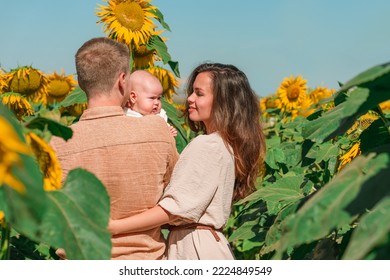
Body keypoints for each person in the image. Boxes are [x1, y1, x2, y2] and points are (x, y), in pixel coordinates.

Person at [109, 62, 266, 259]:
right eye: (192, 92)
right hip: (204, 243)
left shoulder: (207, 145)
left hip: (194, 247)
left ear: (222, 101)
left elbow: (174, 209)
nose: (189, 98)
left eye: (199, 94)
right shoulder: (224, 145)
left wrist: (114, 225)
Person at [50, 37, 179, 260]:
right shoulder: (157, 130)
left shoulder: (56, 145)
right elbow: (177, 198)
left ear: (81, 84)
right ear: (122, 81)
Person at [125, 70, 177, 137]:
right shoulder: (128, 116)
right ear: (133, 97)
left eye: (159, 98)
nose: (157, 103)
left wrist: (169, 133)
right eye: (152, 98)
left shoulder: (160, 115)